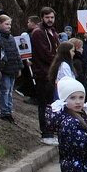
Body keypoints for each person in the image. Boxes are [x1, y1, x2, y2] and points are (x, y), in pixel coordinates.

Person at [31, 8, 61, 143]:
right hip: (43, 73)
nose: (50, 20)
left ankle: (50, 131)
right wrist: (59, 60)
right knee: (45, 104)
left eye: (52, 17)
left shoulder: (52, 31)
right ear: (42, 17)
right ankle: (46, 133)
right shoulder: (38, 33)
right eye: (47, 17)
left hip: (52, 72)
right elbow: (44, 53)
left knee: (51, 104)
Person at [0, 14, 22, 123]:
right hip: (5, 69)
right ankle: (4, 111)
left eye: (9, 24)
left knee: (10, 91)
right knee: (4, 90)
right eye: (6, 24)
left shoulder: (11, 37)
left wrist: (19, 67)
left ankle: (9, 110)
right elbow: (2, 54)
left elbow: (16, 53)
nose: (9, 26)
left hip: (13, 68)